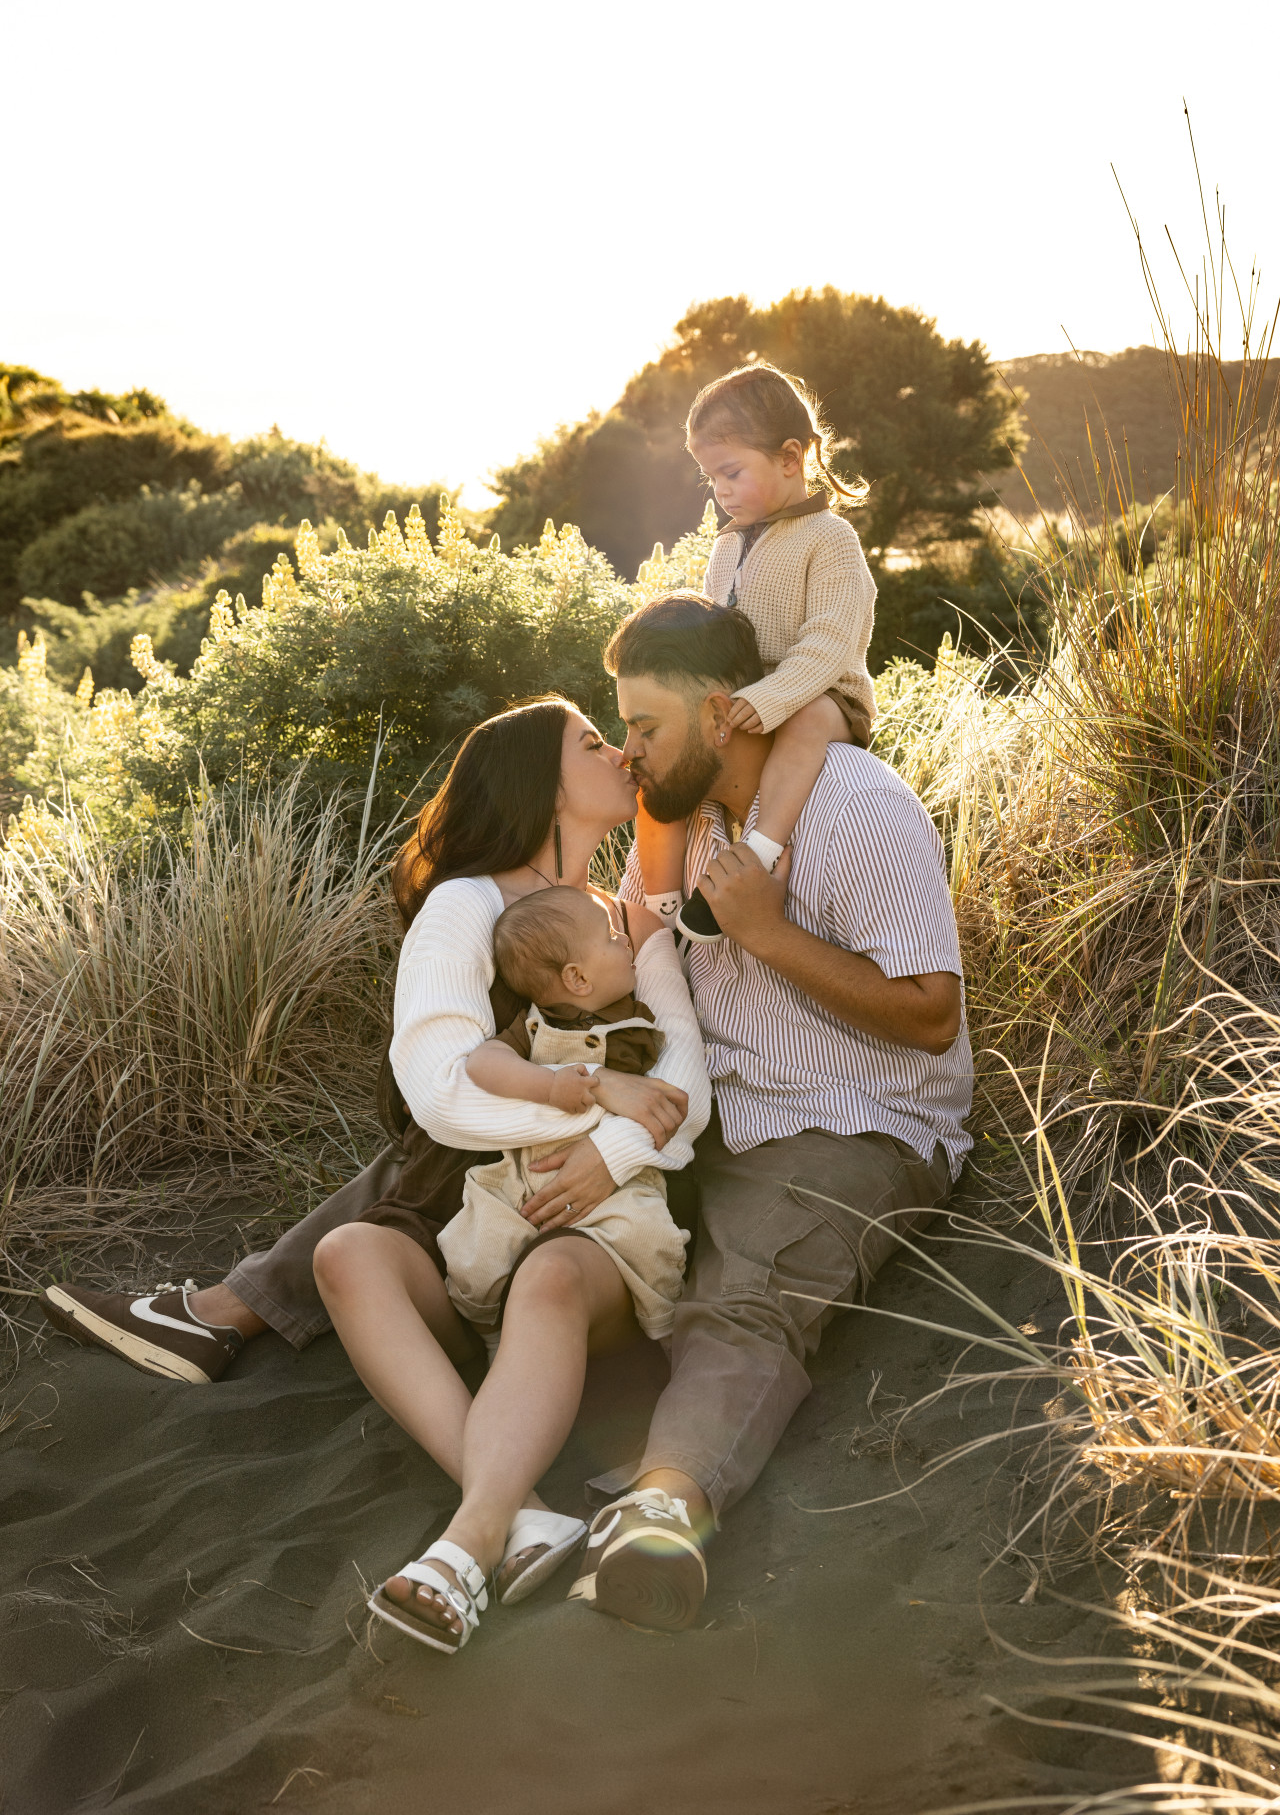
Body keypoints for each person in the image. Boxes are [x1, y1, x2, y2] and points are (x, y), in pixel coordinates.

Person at [41, 697, 709, 1652]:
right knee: (351, 1253)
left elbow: (680, 1072)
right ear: (539, 784)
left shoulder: (613, 907)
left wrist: (614, 1152)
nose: (616, 751)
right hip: (471, 1215)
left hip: (592, 1224)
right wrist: (594, 1106)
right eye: (590, 742)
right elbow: (438, 1093)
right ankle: (510, 1514)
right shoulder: (467, 905)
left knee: (541, 1270)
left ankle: (239, 1328)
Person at [567, 591, 973, 1632]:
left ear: (719, 713)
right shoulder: (682, 823)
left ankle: (663, 1512)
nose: (630, 754)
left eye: (644, 729)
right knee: (473, 1149)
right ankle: (234, 1307)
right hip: (715, 1105)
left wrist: (766, 933)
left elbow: (931, 1018)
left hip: (850, 1122)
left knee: (743, 1291)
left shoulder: (855, 807)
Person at [635, 362, 877, 945]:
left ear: (791, 459)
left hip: (823, 694)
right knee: (661, 750)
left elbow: (829, 641)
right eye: (710, 477)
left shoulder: (831, 539)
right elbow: (711, 631)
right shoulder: (727, 546)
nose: (719, 491)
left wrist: (769, 697)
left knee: (805, 722)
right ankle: (661, 901)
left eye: (731, 472)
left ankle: (759, 851)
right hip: (743, 696)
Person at [441, 885, 696, 1341]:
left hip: (614, 1183)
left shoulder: (637, 1024)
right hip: (521, 1175)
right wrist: (551, 1084)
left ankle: (664, 1333)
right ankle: (487, 1332)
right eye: (612, 936)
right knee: (475, 1250)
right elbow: (482, 1063)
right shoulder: (533, 1025)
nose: (624, 941)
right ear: (578, 978)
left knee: (650, 1238)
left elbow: (664, 1093)